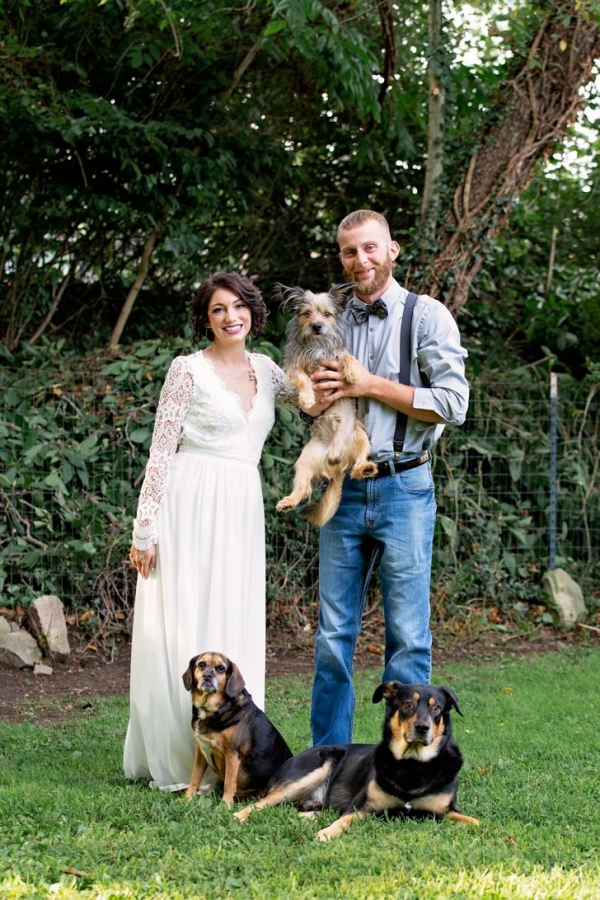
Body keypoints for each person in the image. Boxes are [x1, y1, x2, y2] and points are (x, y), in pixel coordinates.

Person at [304, 210, 469, 746]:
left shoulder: (427, 316)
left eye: (371, 248)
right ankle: (327, 758)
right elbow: (310, 397)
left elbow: (452, 403)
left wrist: (372, 384)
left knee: (407, 636)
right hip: (343, 486)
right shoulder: (330, 317)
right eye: (350, 252)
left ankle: (401, 754)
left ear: (392, 250)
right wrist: (314, 398)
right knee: (333, 634)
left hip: (406, 488)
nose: (361, 260)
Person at [123, 272, 289, 791]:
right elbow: (160, 448)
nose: (230, 317)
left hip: (241, 504)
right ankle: (179, 753)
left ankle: (235, 749)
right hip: (189, 502)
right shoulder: (186, 370)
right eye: (218, 310)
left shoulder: (268, 371)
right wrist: (145, 527)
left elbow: (315, 400)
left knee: (232, 613)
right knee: (186, 615)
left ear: (253, 312)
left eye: (238, 306)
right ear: (206, 318)